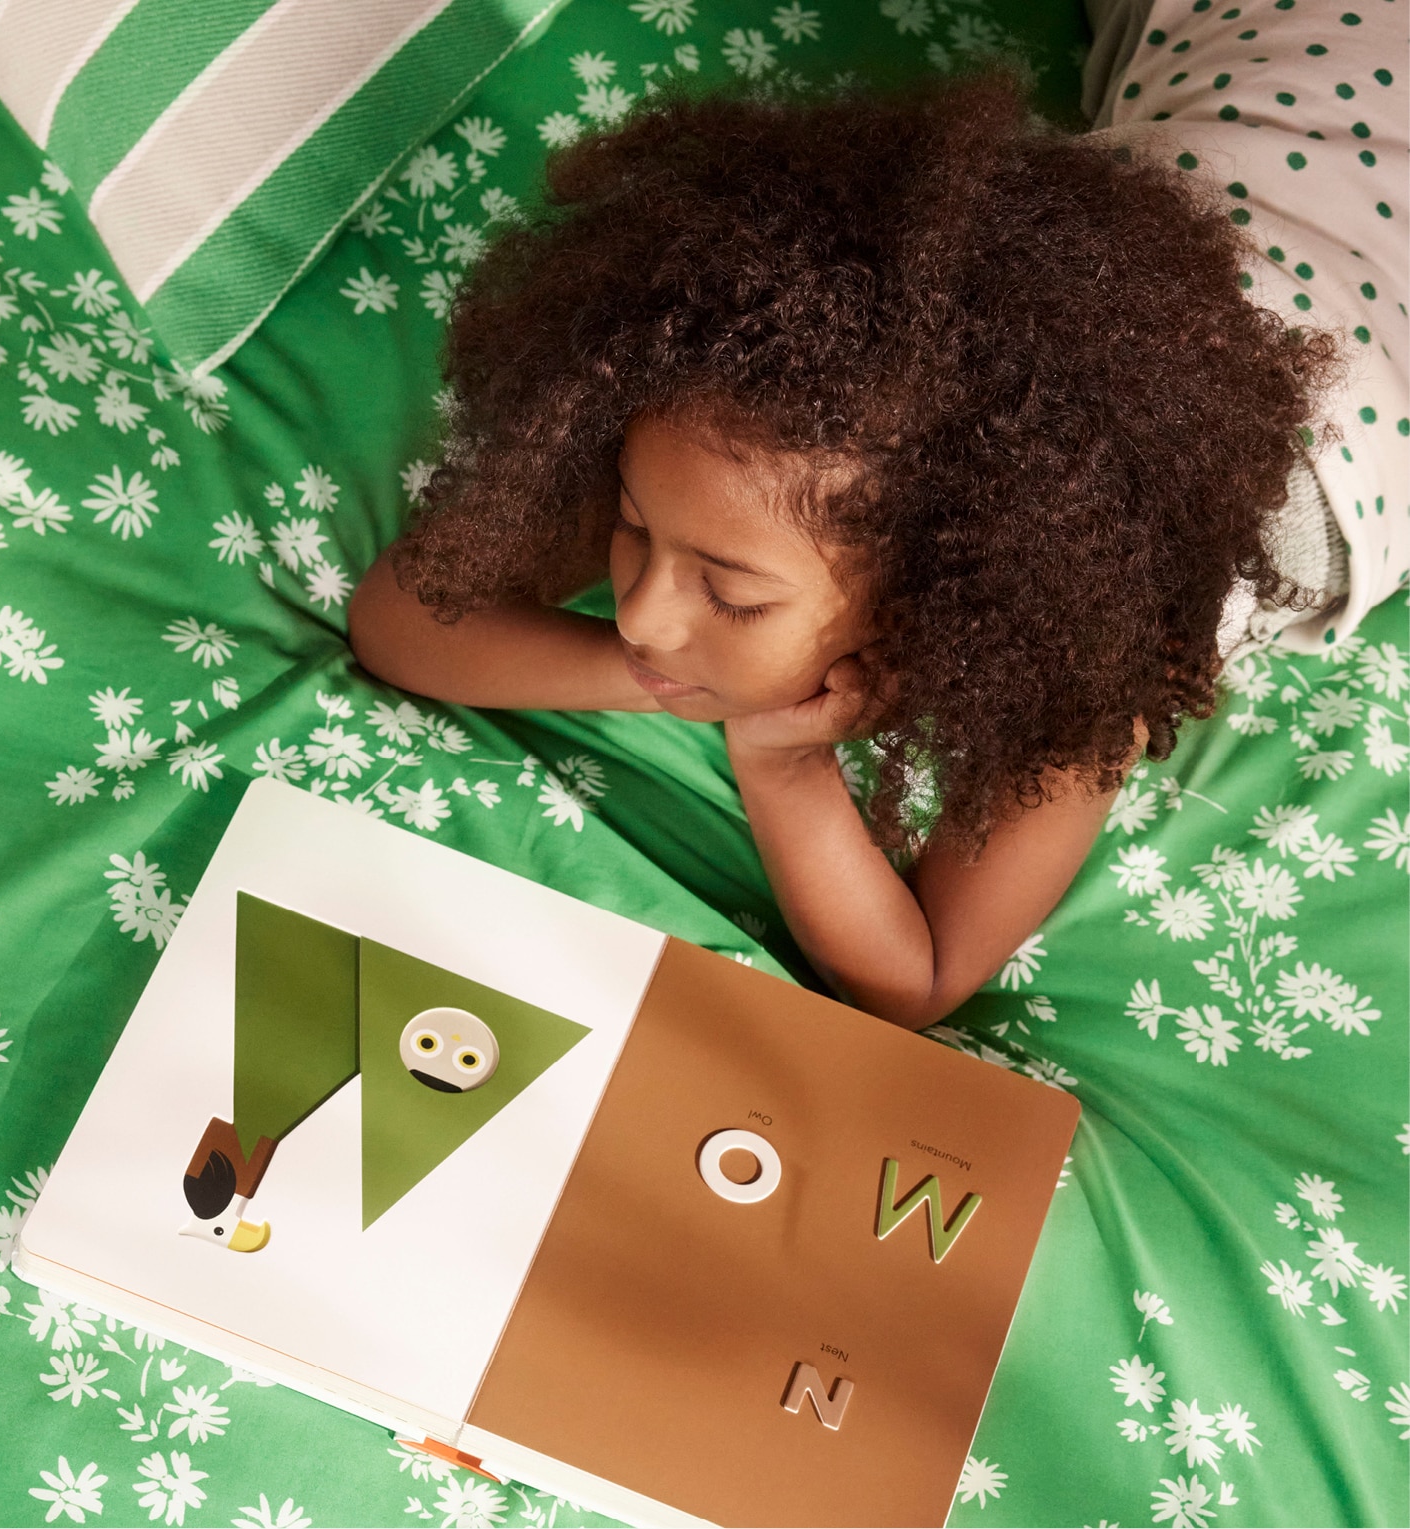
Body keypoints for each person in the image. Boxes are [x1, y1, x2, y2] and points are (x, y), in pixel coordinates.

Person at [348, 10, 1403, 1031]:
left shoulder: (1099, 635)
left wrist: (781, 757)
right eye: (633, 529)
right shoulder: (735, 433)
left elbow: (919, 975)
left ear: (945, 587)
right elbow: (401, 619)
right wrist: (669, 677)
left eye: (730, 591)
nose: (641, 612)